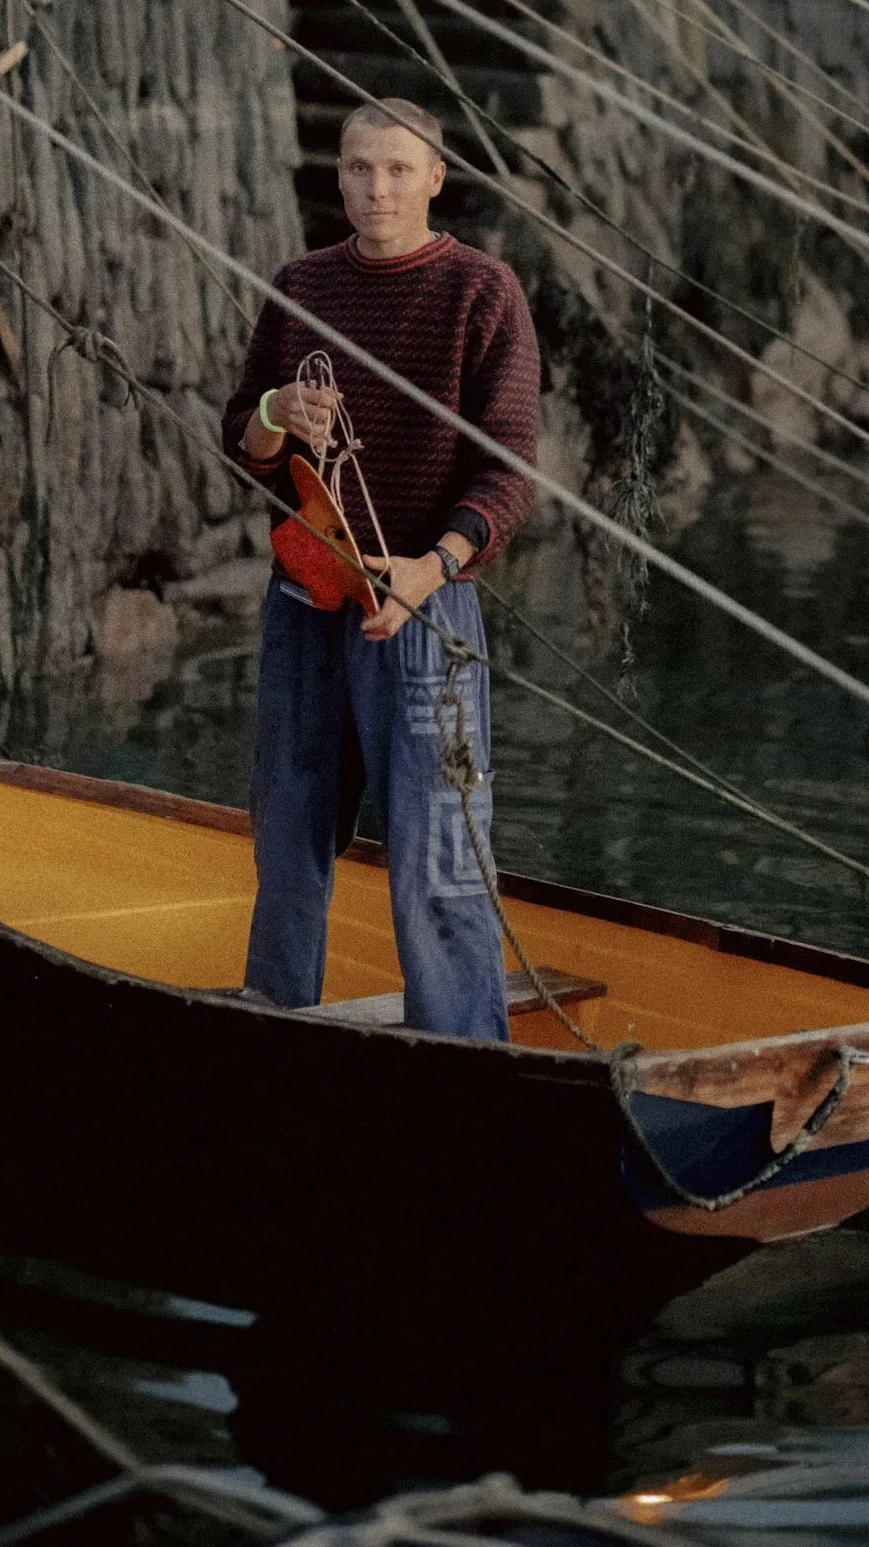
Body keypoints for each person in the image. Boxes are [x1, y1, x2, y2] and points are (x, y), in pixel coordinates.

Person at [221, 100, 540, 1040]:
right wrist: (278, 409)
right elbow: (243, 438)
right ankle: (274, 1023)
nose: (377, 188)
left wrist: (430, 568)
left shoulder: (483, 293)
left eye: (399, 169)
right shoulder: (300, 285)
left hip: (423, 616)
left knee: (438, 851)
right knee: (288, 834)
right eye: (359, 168)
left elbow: (509, 468)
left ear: (437, 177)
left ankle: (461, 1051)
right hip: (306, 600)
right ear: (339, 176)